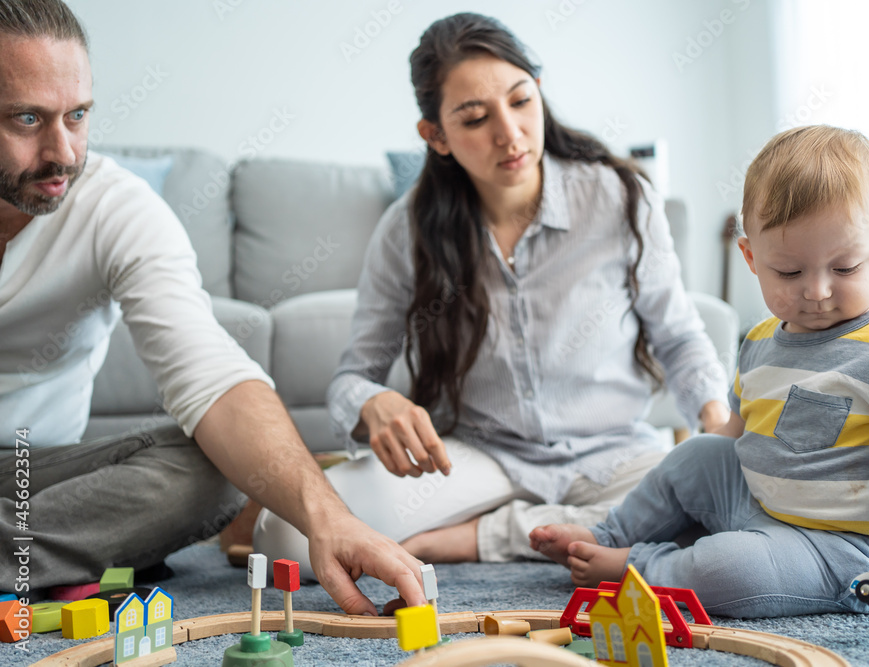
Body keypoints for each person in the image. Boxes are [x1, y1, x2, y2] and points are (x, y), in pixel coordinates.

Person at [254, 12, 730, 574]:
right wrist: (370, 402)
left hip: (616, 452)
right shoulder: (406, 228)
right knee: (286, 536)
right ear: (436, 136)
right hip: (478, 459)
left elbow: (678, 336)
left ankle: (473, 536)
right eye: (475, 118)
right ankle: (564, 526)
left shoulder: (621, 198)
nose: (509, 134)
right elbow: (352, 377)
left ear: (539, 93)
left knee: (722, 520)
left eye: (521, 101)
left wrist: (719, 433)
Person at [0, 0, 426, 615]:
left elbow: (212, 375)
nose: (62, 151)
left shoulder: (115, 207)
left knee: (213, 468)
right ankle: (43, 563)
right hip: (44, 513)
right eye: (27, 119)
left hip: (40, 476)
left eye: (78, 115)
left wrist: (330, 518)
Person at [530, 125, 869, 618]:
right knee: (697, 454)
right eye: (789, 272)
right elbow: (736, 432)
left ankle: (637, 566)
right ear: (751, 257)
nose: (817, 291)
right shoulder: (762, 339)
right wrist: (700, 467)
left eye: (846, 267)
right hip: (757, 505)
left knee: (730, 571)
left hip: (841, 548)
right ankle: (609, 534)